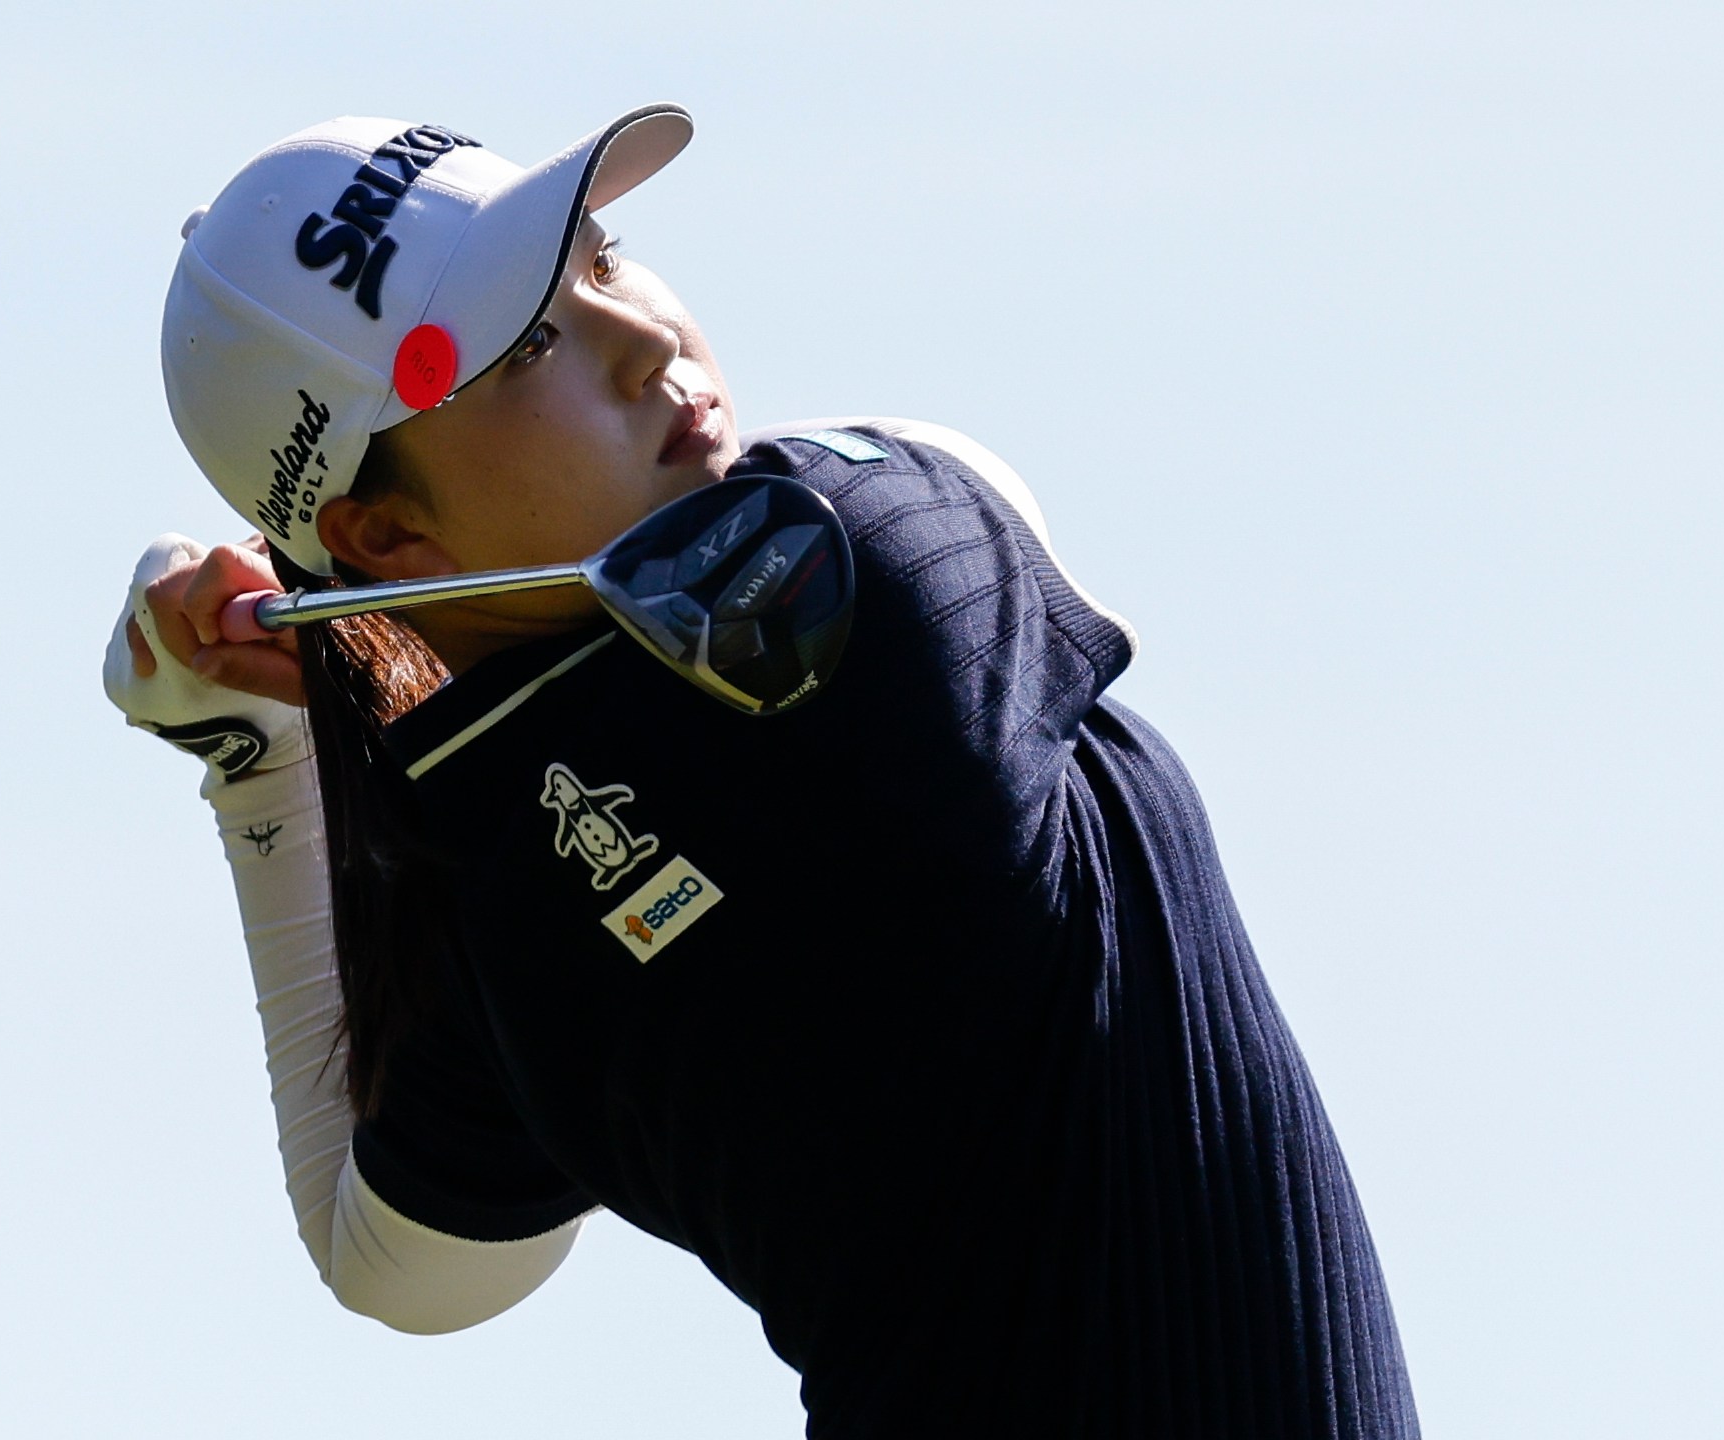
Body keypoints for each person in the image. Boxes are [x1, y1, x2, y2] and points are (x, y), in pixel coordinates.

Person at [105, 103, 1422, 1439]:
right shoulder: (883, 563)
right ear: (382, 531)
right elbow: (961, 463)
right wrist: (355, 684)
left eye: (602, 258)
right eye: (529, 347)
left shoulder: (498, 873)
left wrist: (262, 758)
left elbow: (404, 1271)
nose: (646, 340)